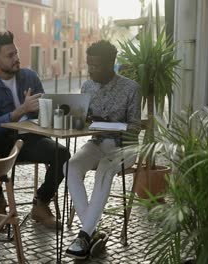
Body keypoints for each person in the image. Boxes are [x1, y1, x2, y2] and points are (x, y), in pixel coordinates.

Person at [0, 31, 70, 229]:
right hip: (3, 142)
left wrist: (55, 111)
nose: (16, 58)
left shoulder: (29, 76)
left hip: (31, 139)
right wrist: (22, 110)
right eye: (10, 55)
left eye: (16, 53)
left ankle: (41, 203)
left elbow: (44, 111)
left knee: (62, 154)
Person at [64, 40, 141, 259]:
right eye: (88, 65)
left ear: (111, 63)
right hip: (96, 144)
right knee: (69, 166)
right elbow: (82, 120)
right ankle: (91, 232)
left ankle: (84, 236)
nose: (90, 70)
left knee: (104, 170)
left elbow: (135, 127)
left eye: (95, 66)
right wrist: (82, 120)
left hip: (124, 148)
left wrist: (113, 125)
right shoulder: (87, 86)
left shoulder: (132, 88)